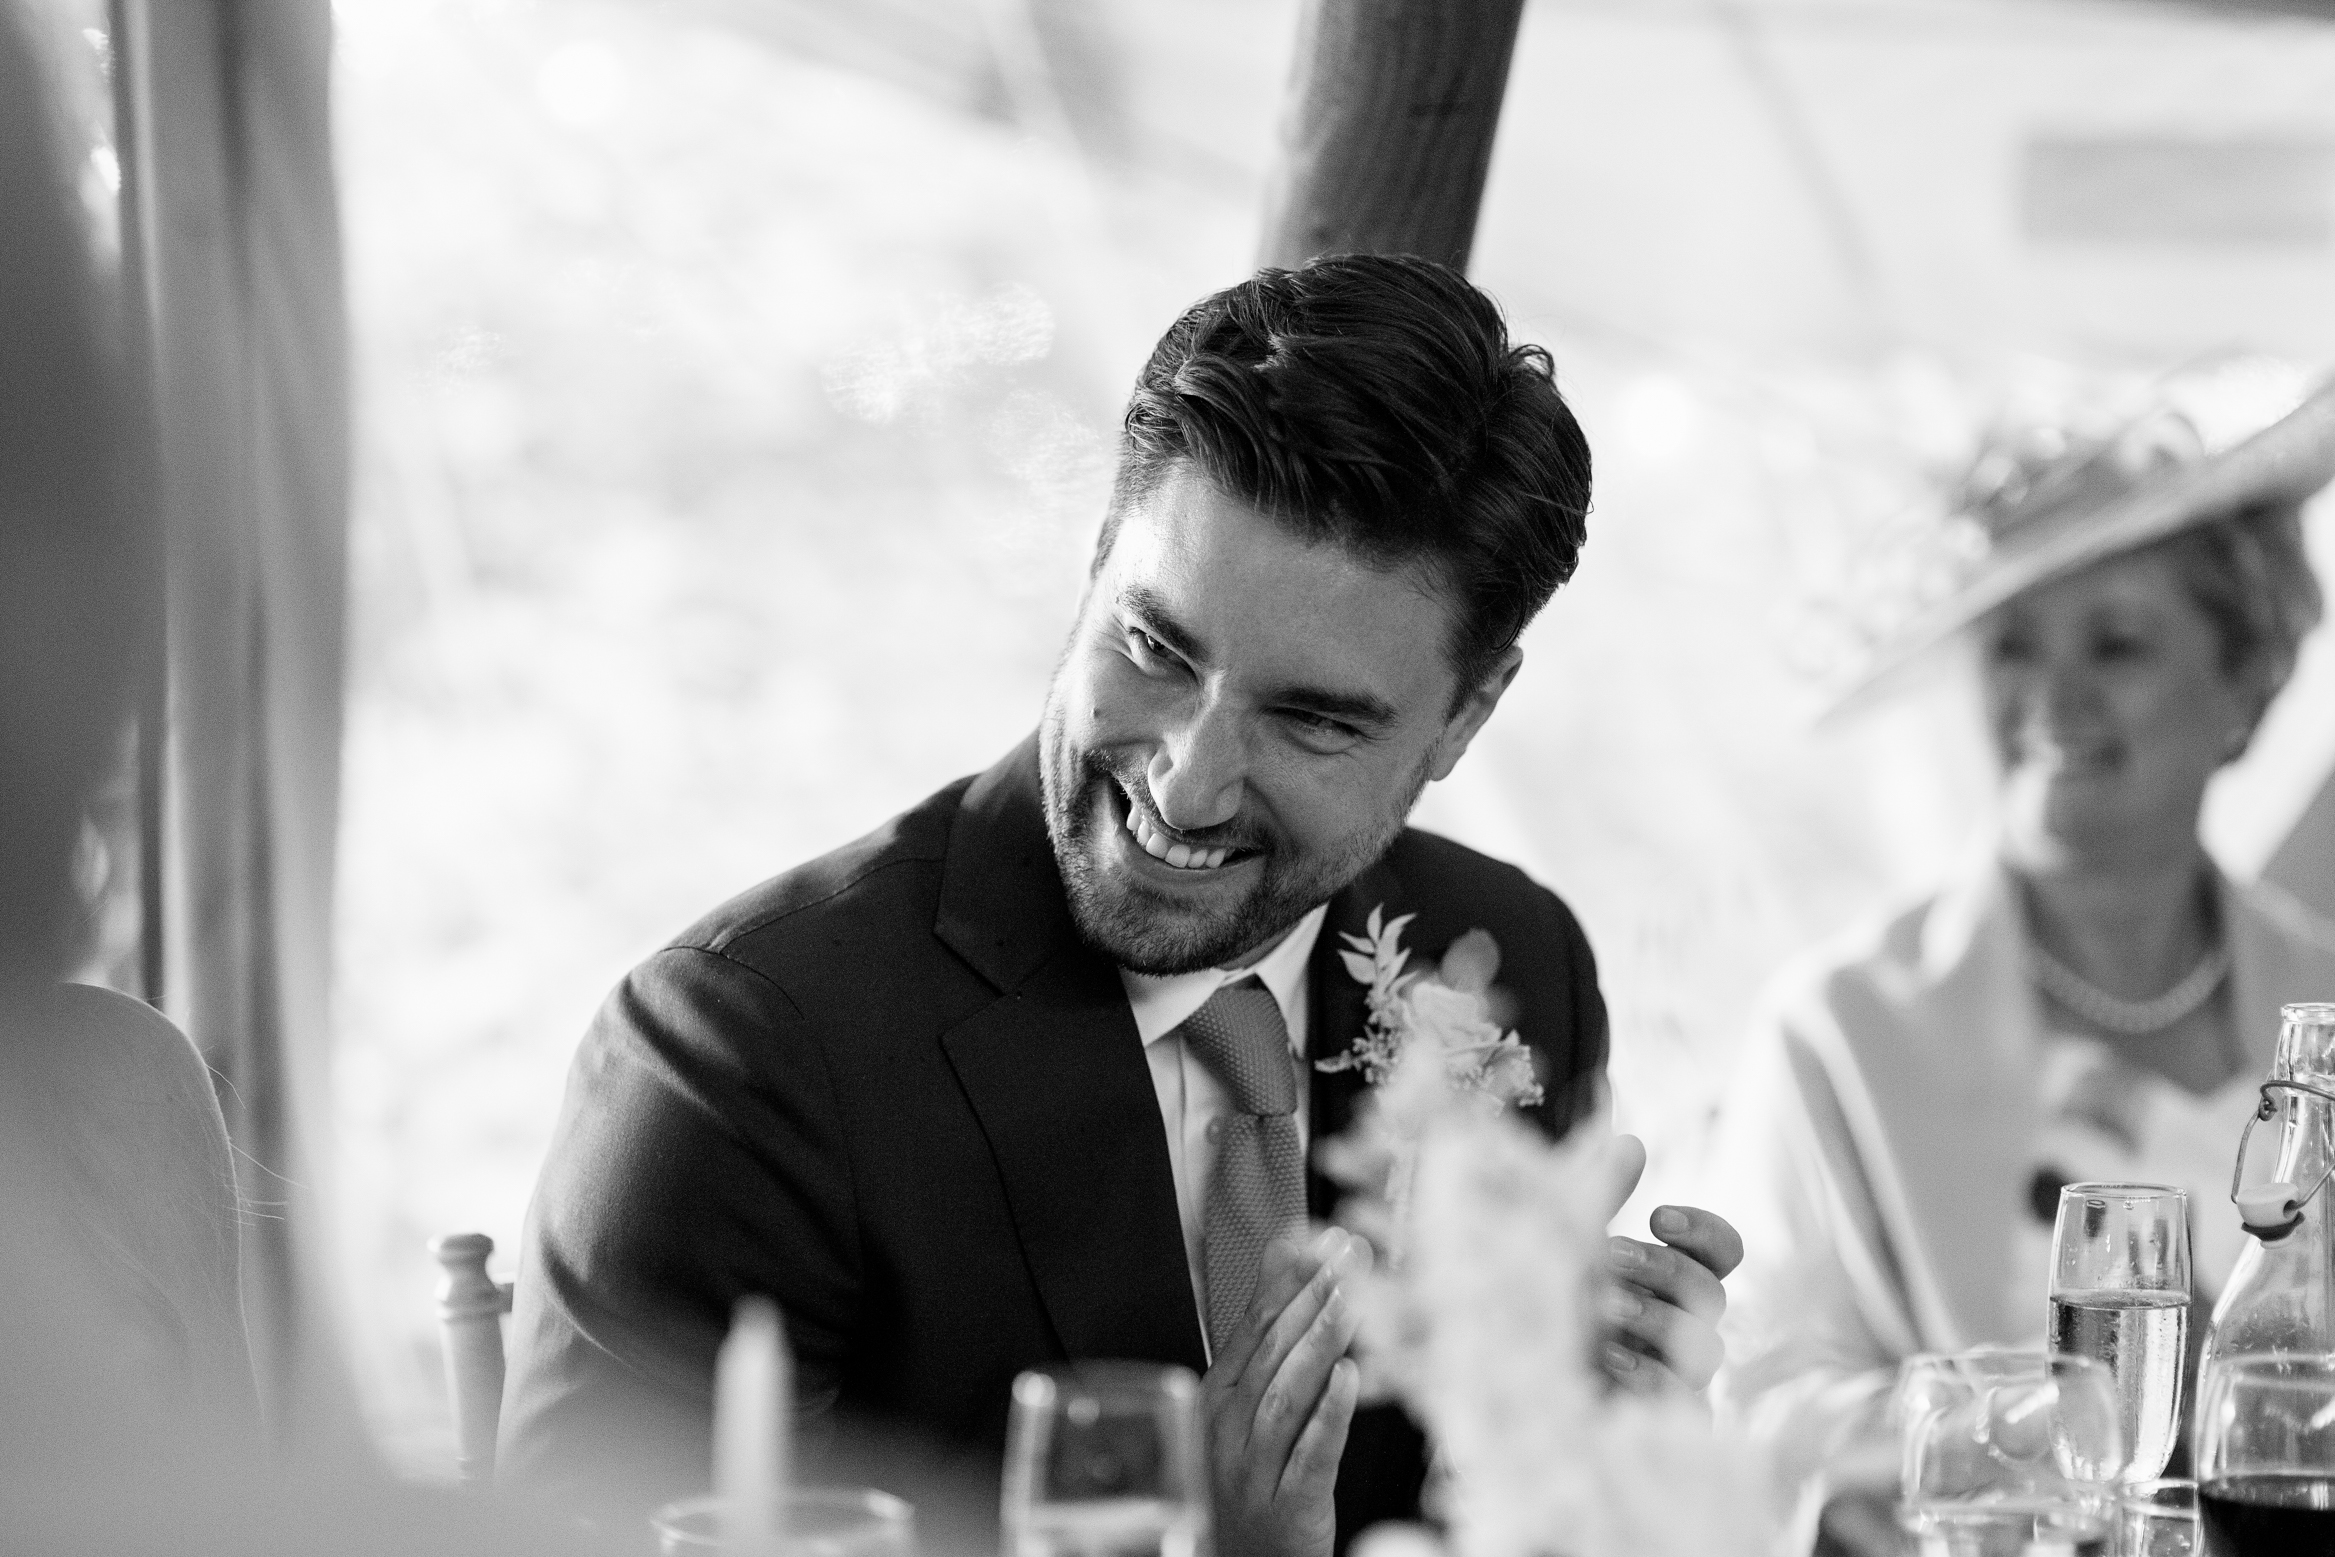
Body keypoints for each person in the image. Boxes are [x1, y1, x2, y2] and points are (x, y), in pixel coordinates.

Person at [500, 254, 1745, 1553]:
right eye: (1153, 647)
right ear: (1097, 557)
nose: (1186, 780)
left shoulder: (1505, 968)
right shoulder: (741, 1057)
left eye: (1309, 719)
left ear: (1466, 716)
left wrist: (1597, 1469)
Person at [1706, 386, 2335, 1555]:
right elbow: (1760, 1408)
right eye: (2013, 646)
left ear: (2246, 685)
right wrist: (2043, 1422)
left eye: (2117, 642)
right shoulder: (1840, 1030)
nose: (2053, 695)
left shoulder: (2324, 1001)